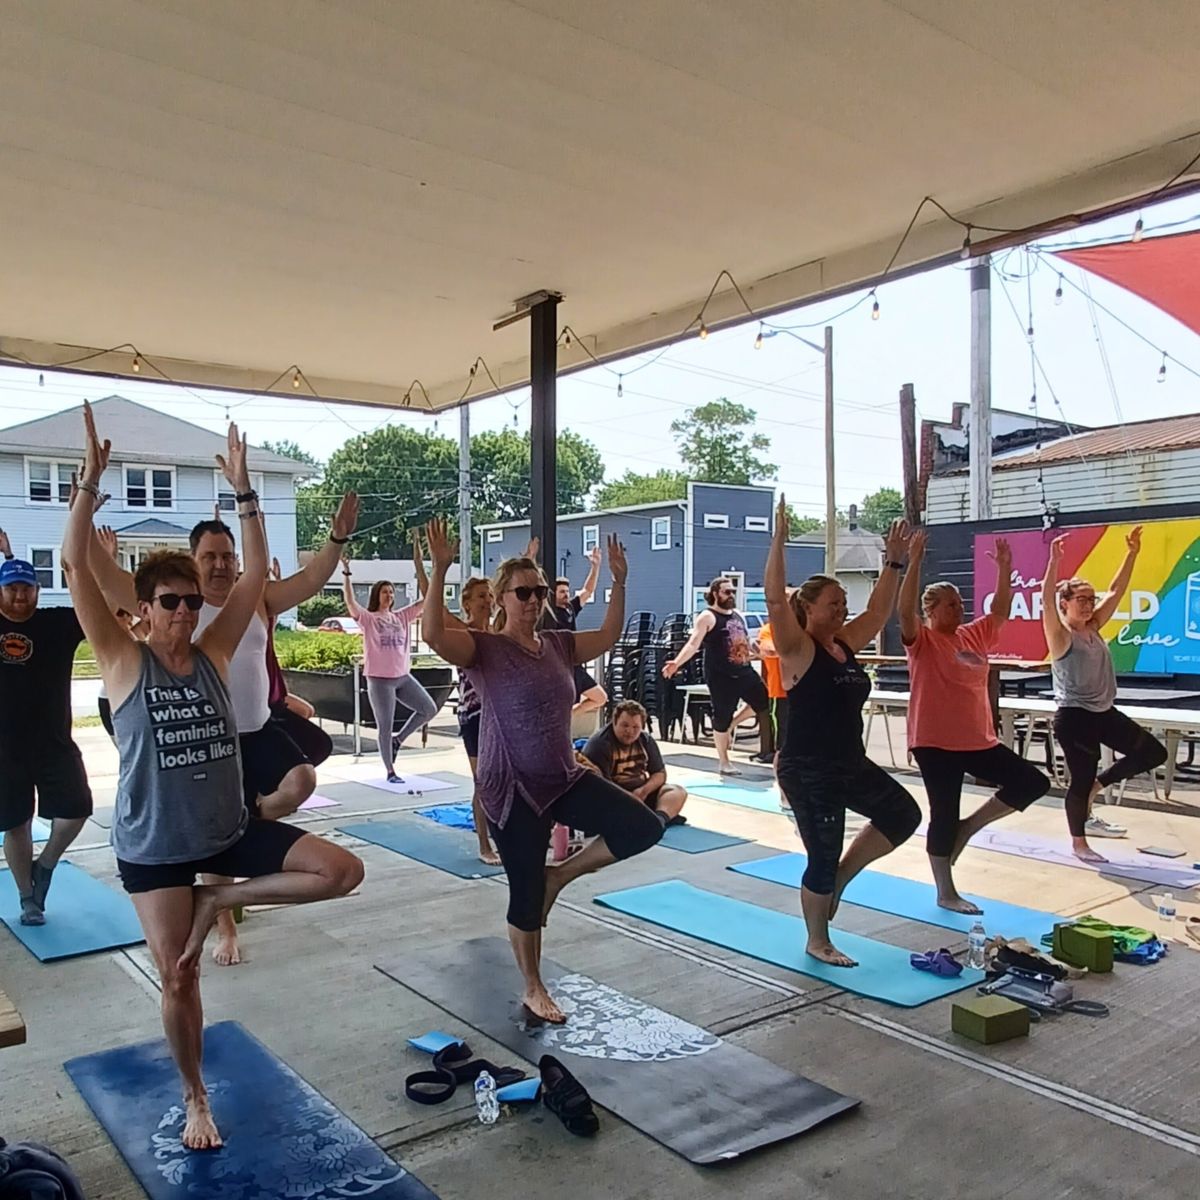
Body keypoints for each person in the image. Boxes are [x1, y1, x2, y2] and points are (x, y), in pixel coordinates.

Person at [63, 404, 363, 1151]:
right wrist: (89, 486)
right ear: (145, 608)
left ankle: (222, 900)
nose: (185, 612)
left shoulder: (215, 653)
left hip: (227, 832)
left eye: (193, 602)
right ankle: (196, 1096)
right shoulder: (123, 659)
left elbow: (257, 571)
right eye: (171, 602)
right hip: (156, 849)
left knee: (341, 869)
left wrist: (245, 491)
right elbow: (76, 566)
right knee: (179, 979)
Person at [92, 476, 359, 966]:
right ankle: (224, 930)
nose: (219, 564)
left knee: (300, 780)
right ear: (192, 564)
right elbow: (95, 575)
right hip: (204, 740)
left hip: (256, 729)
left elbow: (310, 580)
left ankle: (249, 830)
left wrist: (336, 540)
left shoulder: (253, 597)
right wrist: (85, 510)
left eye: (226, 555)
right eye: (209, 556)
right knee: (212, 839)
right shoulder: (174, 607)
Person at [422, 517, 664, 1024]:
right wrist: (441, 569)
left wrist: (618, 582)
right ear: (502, 598)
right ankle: (533, 986)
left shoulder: (558, 644)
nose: (532, 600)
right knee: (525, 893)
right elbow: (433, 634)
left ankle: (562, 876)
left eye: (537, 591)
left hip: (562, 776)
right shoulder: (484, 650)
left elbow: (611, 632)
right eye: (522, 592)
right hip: (510, 788)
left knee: (642, 825)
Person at [765, 496, 921, 967]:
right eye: (833, 604)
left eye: (842, 604)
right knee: (821, 853)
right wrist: (779, 541)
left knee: (903, 814)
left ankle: (843, 875)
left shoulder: (843, 645)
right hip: (808, 769)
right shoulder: (798, 648)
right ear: (807, 610)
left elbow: (877, 614)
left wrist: (893, 561)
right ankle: (818, 939)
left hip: (849, 763)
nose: (841, 611)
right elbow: (774, 597)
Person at [899, 532, 1050, 911]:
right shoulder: (923, 641)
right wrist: (914, 560)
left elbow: (999, 609)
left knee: (1032, 782)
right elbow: (903, 612)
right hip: (935, 742)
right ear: (931, 611)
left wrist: (1005, 569)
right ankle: (945, 891)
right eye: (950, 605)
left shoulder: (973, 635)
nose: (959, 609)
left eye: (961, 602)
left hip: (978, 739)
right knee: (943, 813)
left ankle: (970, 827)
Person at [1041, 528, 1166, 862]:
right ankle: (1079, 842)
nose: (1088, 604)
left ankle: (1100, 785)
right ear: (1064, 603)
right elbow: (1045, 602)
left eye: (1090, 599)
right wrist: (1054, 562)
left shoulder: (1093, 628)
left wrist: (1132, 553)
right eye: (1081, 599)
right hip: (1075, 718)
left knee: (1154, 753)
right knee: (1079, 779)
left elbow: (1116, 590)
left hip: (1103, 713)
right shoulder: (1061, 636)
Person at [0, 530, 93, 926]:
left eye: (27, 588)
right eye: (12, 589)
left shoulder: (58, 623)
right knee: (15, 823)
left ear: (38, 590)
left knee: (77, 810)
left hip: (54, 742)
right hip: (4, 748)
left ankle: (47, 865)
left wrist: (91, 561)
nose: (20, 596)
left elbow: (103, 610)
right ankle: (28, 899)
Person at [341, 548, 437, 782]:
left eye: (392, 592)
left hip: (402, 676)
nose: (389, 595)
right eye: (385, 592)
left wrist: (427, 567)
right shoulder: (368, 619)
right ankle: (390, 771)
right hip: (379, 680)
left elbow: (428, 599)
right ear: (377, 594)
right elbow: (351, 602)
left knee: (429, 709)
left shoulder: (401, 616)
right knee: (384, 725)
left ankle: (399, 740)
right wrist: (346, 573)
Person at [662, 577, 769, 774]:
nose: (731, 596)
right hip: (721, 676)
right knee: (721, 717)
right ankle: (724, 762)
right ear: (715, 594)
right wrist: (677, 662)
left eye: (733, 592)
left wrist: (760, 651)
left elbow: (746, 641)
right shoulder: (707, 617)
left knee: (764, 702)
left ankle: (733, 723)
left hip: (744, 670)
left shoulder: (736, 615)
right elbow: (693, 643)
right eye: (727, 592)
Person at [582, 700, 688, 822]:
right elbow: (601, 785)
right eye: (625, 725)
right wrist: (628, 798)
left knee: (676, 791)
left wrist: (643, 791)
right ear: (614, 722)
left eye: (635, 727)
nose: (630, 731)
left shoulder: (646, 740)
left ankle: (659, 820)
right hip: (614, 796)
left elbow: (659, 774)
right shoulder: (599, 745)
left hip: (641, 794)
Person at [543, 547, 608, 717]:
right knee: (558, 704)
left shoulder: (571, 607)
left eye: (567, 591)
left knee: (600, 697)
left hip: (575, 665)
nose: (566, 594)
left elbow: (588, 591)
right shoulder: (547, 614)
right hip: (558, 668)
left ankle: (570, 715)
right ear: (553, 594)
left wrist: (595, 566)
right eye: (562, 592)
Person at [752, 618, 789, 762]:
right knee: (780, 723)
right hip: (778, 688)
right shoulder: (768, 629)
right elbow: (769, 650)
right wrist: (794, 650)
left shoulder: (799, 629)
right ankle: (777, 755)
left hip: (799, 687)